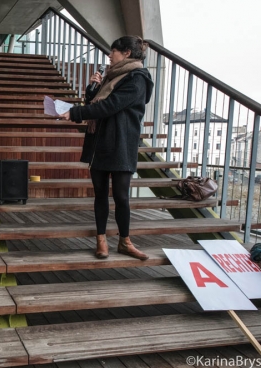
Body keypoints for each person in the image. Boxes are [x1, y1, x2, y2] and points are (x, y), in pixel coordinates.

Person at [60, 35, 153, 260]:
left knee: (121, 195)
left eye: (113, 51)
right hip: (99, 141)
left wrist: (75, 113)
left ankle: (125, 241)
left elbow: (111, 106)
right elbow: (97, 104)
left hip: (121, 143)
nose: (110, 56)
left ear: (127, 53)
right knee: (100, 194)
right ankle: (101, 240)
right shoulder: (112, 77)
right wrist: (92, 90)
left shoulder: (137, 78)